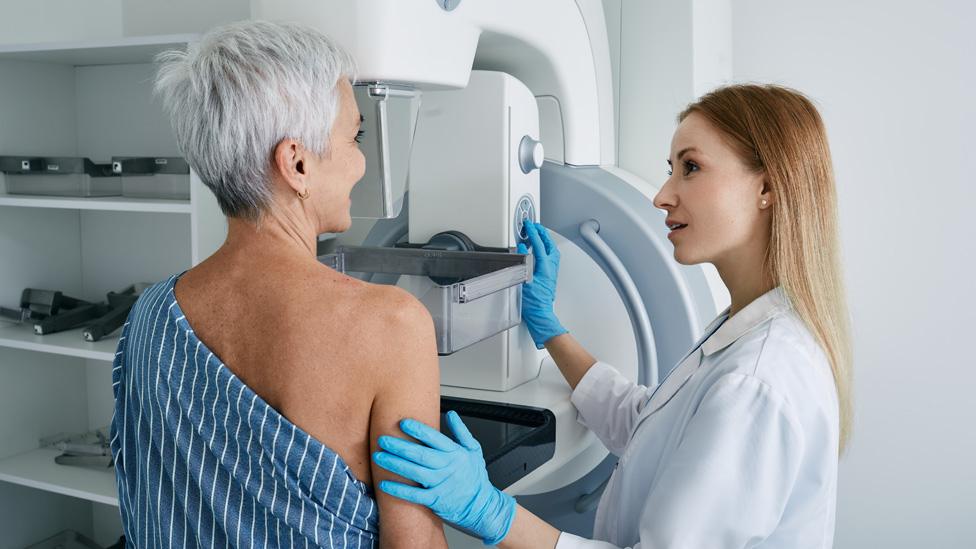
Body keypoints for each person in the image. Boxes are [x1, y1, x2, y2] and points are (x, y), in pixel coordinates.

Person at [372, 84, 852, 548]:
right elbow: (649, 429)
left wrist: (490, 511)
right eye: (672, 169)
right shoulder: (751, 327)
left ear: (766, 187)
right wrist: (549, 327)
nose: (662, 195)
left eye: (691, 167)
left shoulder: (756, 380)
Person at [109, 21, 447, 548]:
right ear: (296, 163)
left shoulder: (149, 315)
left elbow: (143, 506)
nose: (361, 161)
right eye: (354, 137)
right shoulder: (391, 326)